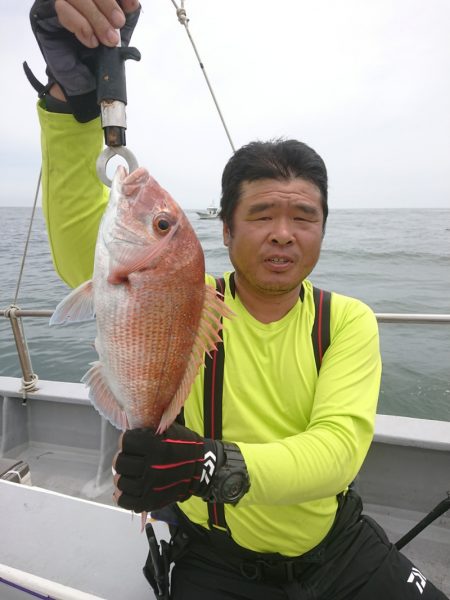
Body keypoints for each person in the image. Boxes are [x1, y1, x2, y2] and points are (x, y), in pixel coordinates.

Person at [30, 2, 449, 599]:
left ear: (323, 231)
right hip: (216, 557)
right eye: (261, 214)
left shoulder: (346, 321)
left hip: (338, 547)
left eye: (304, 216)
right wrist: (70, 107)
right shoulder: (182, 300)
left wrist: (211, 464)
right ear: (226, 231)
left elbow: (336, 454)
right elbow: (86, 259)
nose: (283, 232)